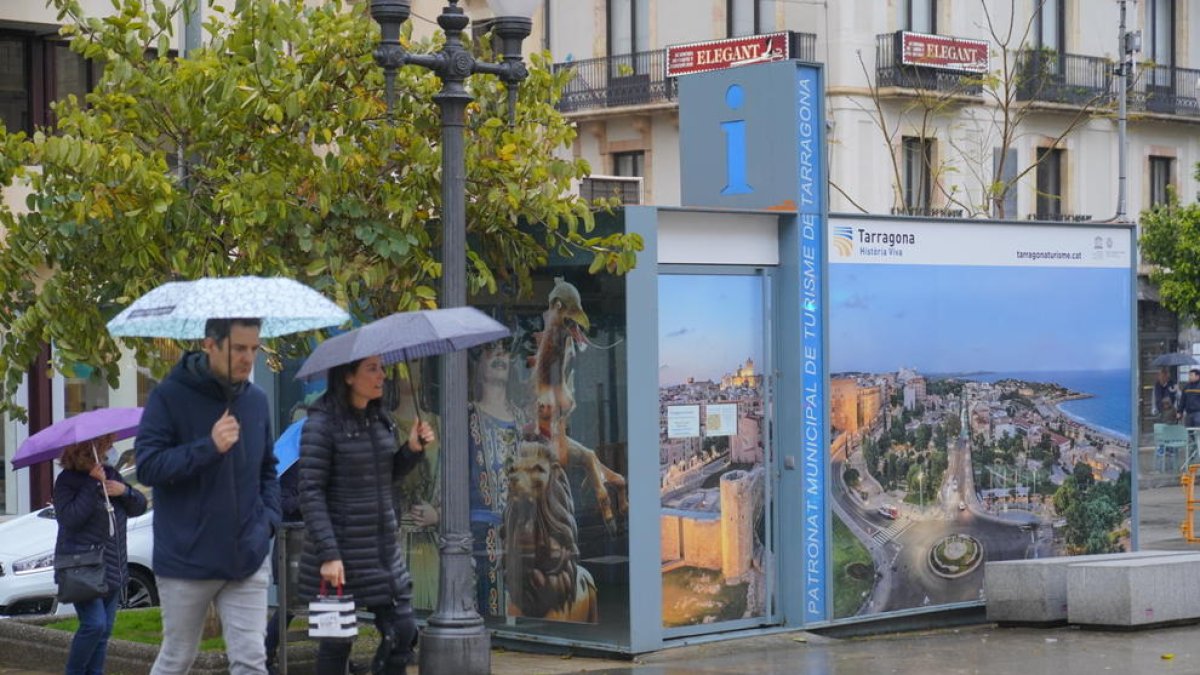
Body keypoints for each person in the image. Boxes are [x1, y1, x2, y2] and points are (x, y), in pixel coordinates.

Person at [135, 317, 281, 675]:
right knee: (177, 659)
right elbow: (148, 467)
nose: (248, 358)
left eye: (254, 348)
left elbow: (268, 469)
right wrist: (209, 447)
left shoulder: (257, 401)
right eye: (238, 349)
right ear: (209, 345)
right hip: (187, 558)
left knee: (251, 661)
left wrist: (268, 523)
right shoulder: (169, 396)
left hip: (246, 556)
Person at [297, 355, 435, 675]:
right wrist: (330, 554)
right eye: (372, 369)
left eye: (382, 368)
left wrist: (411, 450)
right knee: (337, 642)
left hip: (382, 552)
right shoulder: (320, 425)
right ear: (347, 376)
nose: (382, 376)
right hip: (341, 554)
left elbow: (386, 476)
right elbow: (311, 492)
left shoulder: (379, 420)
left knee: (402, 632)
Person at [54, 433, 148, 675]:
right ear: (88, 450)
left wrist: (123, 491)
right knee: (94, 625)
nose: (110, 450)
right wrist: (91, 485)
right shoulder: (67, 481)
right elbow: (70, 518)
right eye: (105, 446)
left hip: (113, 564)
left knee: (104, 631)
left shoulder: (111, 474)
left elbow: (139, 506)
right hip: (83, 567)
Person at [468, 340, 523, 617]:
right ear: (478, 364)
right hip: (480, 535)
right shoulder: (467, 417)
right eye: (491, 350)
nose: (500, 355)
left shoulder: (522, 418)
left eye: (506, 351)